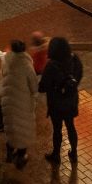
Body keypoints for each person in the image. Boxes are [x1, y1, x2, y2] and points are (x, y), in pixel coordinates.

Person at [39, 36, 84, 164]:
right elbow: (79, 75)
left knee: (57, 129)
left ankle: (56, 155)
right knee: (71, 126)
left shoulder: (51, 66)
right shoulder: (75, 60)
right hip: (71, 101)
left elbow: (42, 87)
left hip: (56, 104)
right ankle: (74, 152)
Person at [0, 39, 38, 169]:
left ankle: (9, 154)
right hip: (23, 103)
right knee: (23, 130)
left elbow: (2, 74)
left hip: (8, 100)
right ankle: (20, 158)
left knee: (11, 128)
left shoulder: (6, 61)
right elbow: (34, 87)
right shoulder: (27, 66)